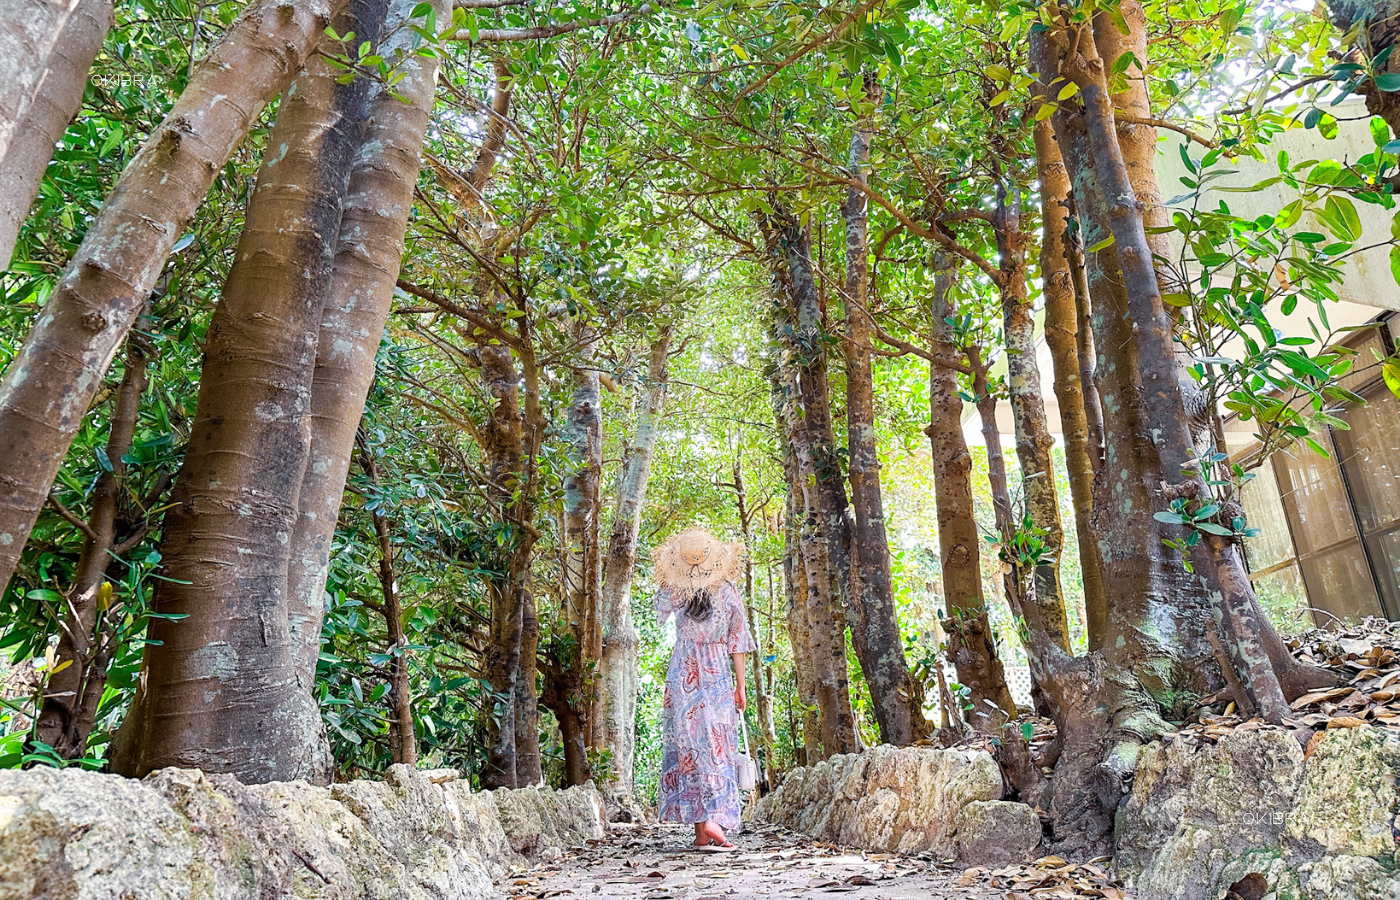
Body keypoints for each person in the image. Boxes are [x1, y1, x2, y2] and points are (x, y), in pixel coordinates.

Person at [652, 528, 757, 852]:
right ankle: (713, 820)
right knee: (717, 746)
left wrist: (676, 576)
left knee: (690, 749)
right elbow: (737, 641)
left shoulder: (675, 591)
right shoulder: (727, 591)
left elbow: (658, 607)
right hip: (716, 674)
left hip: (683, 672)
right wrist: (741, 687)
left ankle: (701, 831)